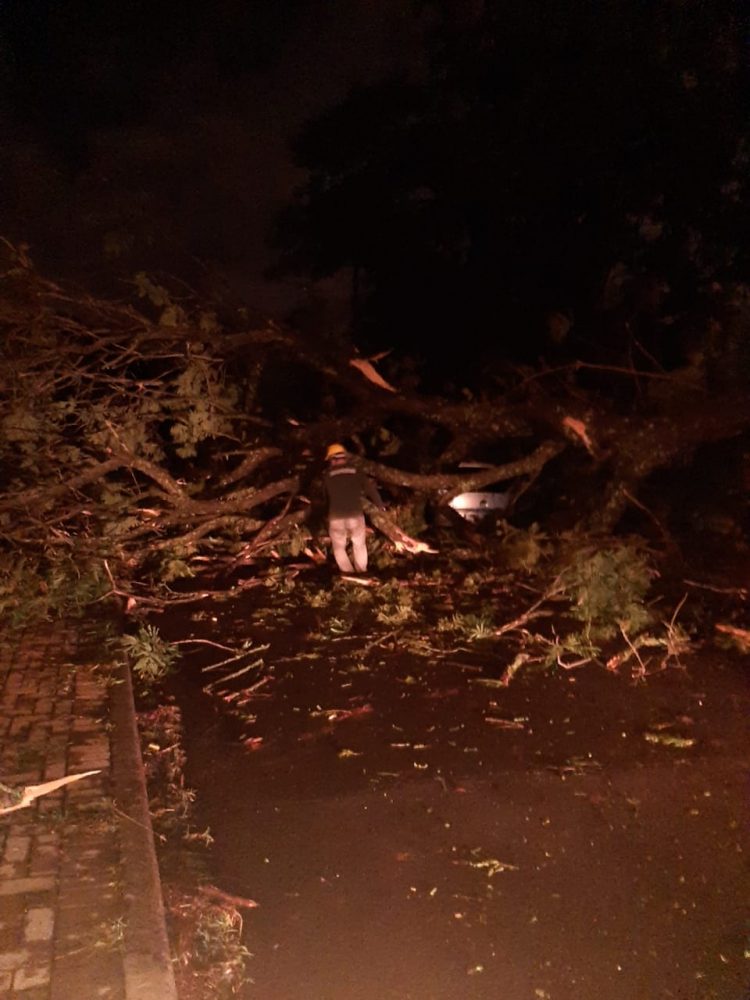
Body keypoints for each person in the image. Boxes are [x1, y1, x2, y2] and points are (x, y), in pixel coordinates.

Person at [323, 443, 385, 575]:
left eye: (330, 460)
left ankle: (348, 573)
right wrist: (380, 505)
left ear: (333, 459)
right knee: (359, 544)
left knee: (339, 547)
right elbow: (371, 490)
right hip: (355, 515)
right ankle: (362, 572)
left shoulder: (327, 475)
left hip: (336, 517)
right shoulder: (357, 471)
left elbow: (324, 497)